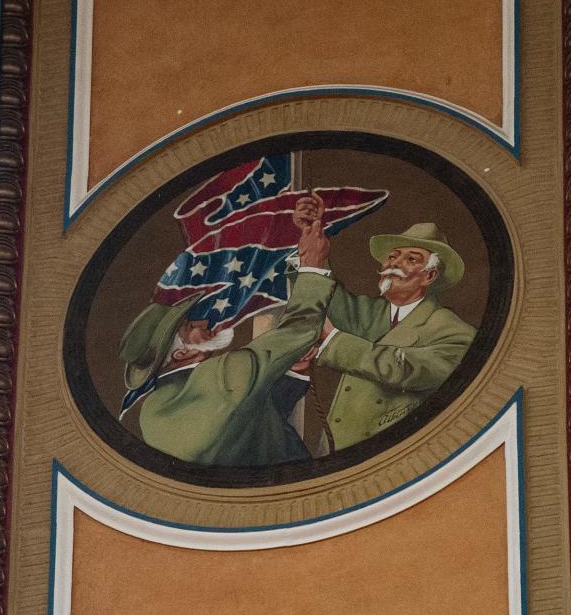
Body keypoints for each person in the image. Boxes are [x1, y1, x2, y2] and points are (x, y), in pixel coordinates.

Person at [117, 219, 334, 466]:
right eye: (190, 327)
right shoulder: (224, 375)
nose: (203, 324)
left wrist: (294, 369)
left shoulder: (153, 411)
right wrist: (312, 265)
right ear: (181, 354)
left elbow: (249, 423)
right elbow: (300, 329)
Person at [293, 196, 476, 450]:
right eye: (393, 256)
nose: (395, 263)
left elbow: (402, 368)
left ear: (430, 275)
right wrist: (309, 242)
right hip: (336, 456)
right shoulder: (371, 313)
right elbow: (328, 296)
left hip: (398, 460)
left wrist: (333, 339)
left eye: (411, 259)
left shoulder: (455, 332)